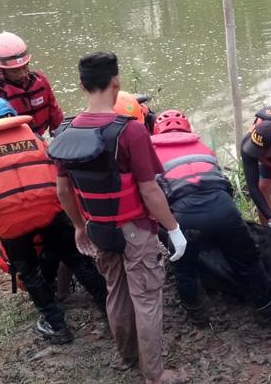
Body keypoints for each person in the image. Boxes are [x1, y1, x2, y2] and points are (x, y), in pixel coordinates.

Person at [49, 52, 187, 384]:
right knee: (146, 298)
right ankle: (155, 374)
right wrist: (174, 229)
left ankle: (127, 356)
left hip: (99, 229)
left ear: (82, 86)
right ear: (116, 83)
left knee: (116, 292)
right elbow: (150, 190)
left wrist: (81, 226)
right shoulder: (130, 132)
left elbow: (63, 191)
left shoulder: (64, 130)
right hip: (135, 230)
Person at [0, 97, 106, 344]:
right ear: (11, 115)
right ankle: (111, 308)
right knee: (78, 260)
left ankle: (56, 325)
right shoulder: (34, 136)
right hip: (52, 209)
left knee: (29, 273)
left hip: (11, 223)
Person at [148, 109, 271, 326]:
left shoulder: (150, 152)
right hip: (224, 209)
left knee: (185, 269)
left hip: (186, 216)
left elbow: (153, 195)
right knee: (247, 261)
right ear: (188, 128)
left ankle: (198, 316)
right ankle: (266, 310)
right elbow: (224, 185)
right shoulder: (203, 148)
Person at [0, 32, 64, 135]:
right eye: (15, 71)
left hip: (39, 138)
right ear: (0, 69)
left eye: (25, 67)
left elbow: (54, 112)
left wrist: (60, 136)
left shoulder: (40, 81)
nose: (23, 74)